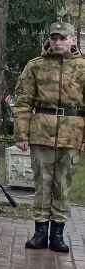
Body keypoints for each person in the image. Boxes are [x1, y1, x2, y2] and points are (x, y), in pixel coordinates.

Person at [13, 21, 85, 253]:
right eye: (54, 38)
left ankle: (58, 235)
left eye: (63, 38)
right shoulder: (36, 66)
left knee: (63, 185)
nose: (58, 42)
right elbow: (23, 102)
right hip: (41, 132)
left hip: (72, 134)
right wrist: (21, 134)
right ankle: (40, 232)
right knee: (42, 184)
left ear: (73, 39)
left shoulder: (83, 67)